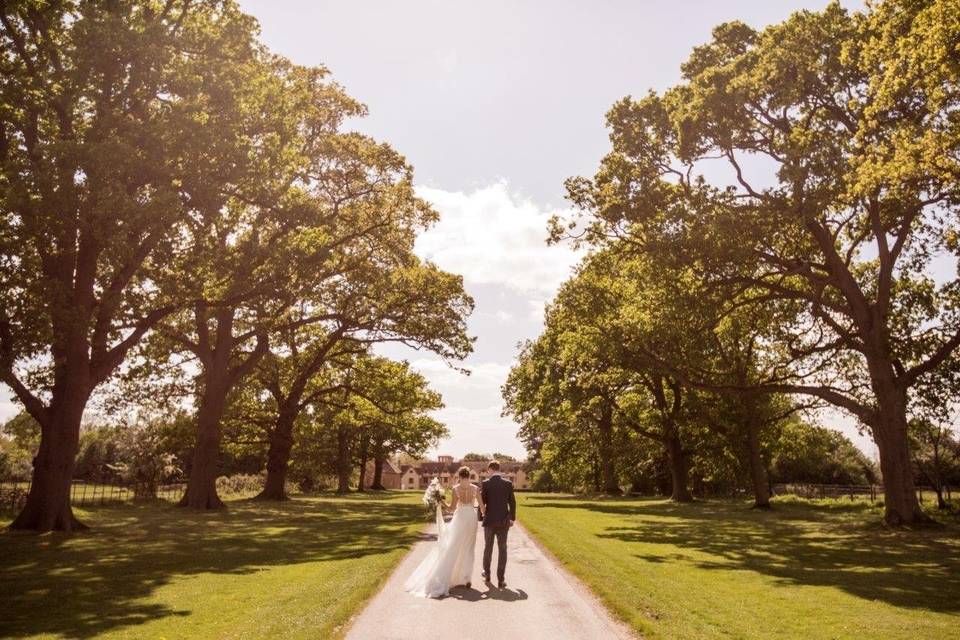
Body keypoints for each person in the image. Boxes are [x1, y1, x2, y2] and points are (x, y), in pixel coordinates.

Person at [404, 466, 479, 598]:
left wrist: (441, 502)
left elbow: (451, 508)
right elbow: (482, 507)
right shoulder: (475, 488)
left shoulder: (456, 489)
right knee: (469, 547)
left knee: (453, 546)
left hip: (460, 517)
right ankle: (466, 578)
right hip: (472, 517)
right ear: (468, 477)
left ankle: (450, 576)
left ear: (460, 477)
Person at [480, 459, 516, 589]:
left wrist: (480, 518)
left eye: (488, 470)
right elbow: (512, 502)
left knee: (488, 547)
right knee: (502, 549)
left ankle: (487, 573)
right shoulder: (508, 483)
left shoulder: (486, 483)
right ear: (499, 469)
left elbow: (482, 502)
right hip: (503, 522)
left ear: (490, 469)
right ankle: (501, 580)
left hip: (489, 521)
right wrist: (512, 518)